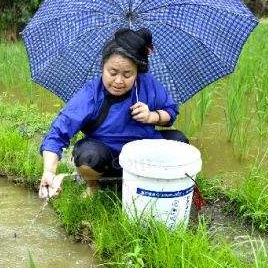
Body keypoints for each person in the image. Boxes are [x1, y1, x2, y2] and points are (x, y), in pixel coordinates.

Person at [38, 28, 188, 199]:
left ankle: (152, 183)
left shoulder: (148, 84)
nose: (118, 81)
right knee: (88, 157)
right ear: (102, 67)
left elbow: (171, 112)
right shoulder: (91, 94)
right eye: (113, 72)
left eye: (127, 74)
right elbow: (58, 133)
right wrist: (49, 172)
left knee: (180, 143)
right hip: (107, 158)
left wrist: (151, 116)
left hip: (143, 155)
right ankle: (93, 186)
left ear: (137, 71)